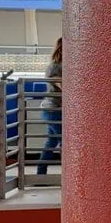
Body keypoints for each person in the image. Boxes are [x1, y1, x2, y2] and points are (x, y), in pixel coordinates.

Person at [35, 37, 62, 176]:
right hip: (53, 109)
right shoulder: (56, 66)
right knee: (64, 140)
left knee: (51, 141)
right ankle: (70, 177)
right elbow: (62, 85)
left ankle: (40, 175)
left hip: (53, 108)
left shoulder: (57, 65)